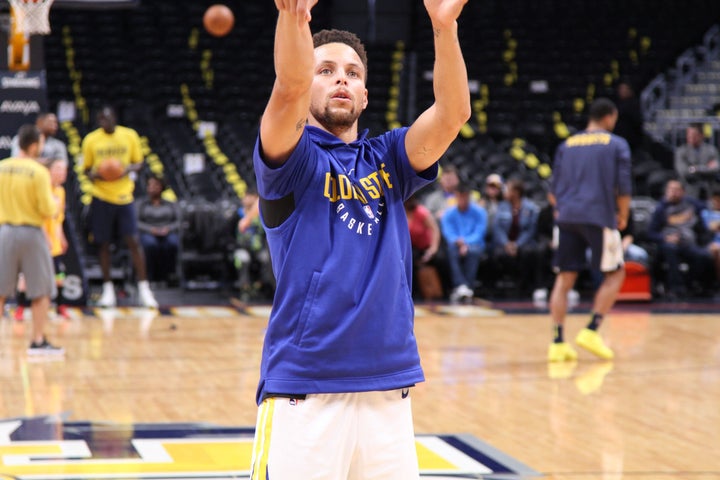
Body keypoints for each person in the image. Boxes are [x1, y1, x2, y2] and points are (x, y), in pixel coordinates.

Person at [249, 0, 470, 477]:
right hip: (304, 392)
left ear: (366, 94)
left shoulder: (388, 157)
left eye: (351, 72)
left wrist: (444, 27)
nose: (341, 79)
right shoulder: (290, 160)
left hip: (389, 389)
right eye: (325, 70)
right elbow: (287, 87)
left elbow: (453, 113)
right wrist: (293, 16)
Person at [548, 98, 632, 363]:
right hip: (599, 215)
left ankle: (558, 342)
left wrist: (562, 208)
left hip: (568, 217)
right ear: (610, 117)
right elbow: (624, 187)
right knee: (615, 273)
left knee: (564, 279)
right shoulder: (616, 144)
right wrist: (624, 215)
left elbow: (552, 192)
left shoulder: (567, 145)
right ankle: (592, 330)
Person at [82, 106, 158, 308]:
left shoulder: (129, 135)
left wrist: (123, 170)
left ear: (114, 117)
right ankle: (108, 290)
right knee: (103, 244)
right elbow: (86, 170)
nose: (104, 122)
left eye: (107, 118)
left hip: (125, 196)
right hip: (101, 196)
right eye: (100, 119)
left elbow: (139, 163)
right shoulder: (90, 140)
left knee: (133, 241)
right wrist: (102, 174)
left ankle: (144, 289)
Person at [0, 124, 63, 354]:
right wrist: (55, 206)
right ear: (34, 145)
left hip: (4, 231)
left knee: (0, 291)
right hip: (31, 232)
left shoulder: (2, 167)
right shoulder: (38, 172)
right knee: (41, 291)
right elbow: (48, 209)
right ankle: (37, 341)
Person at [646, 178, 715, 298]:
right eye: (670, 189)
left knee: (705, 256)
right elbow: (650, 233)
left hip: (688, 242)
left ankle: (693, 285)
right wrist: (665, 238)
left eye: (676, 190)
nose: (673, 192)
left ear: (683, 192)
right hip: (669, 243)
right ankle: (676, 288)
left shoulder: (691, 204)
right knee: (670, 250)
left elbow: (709, 206)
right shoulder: (661, 208)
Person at [491, 178, 541, 295]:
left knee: (528, 253)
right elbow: (497, 228)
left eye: (508, 189)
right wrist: (506, 244)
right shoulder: (502, 206)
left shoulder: (530, 208)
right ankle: (500, 286)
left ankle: (524, 285)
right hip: (505, 243)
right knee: (497, 254)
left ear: (516, 192)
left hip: (523, 243)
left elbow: (530, 230)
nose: (505, 192)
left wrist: (517, 245)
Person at [441, 183, 487, 303]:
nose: (462, 199)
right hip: (456, 244)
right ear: (456, 196)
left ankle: (465, 286)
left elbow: (479, 232)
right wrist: (459, 242)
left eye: (465, 196)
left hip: (474, 243)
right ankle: (462, 286)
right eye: (460, 196)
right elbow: (448, 233)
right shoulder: (449, 213)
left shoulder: (479, 212)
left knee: (473, 251)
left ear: (469, 196)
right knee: (452, 251)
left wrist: (466, 242)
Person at [135, 174, 180, 284]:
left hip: (167, 232)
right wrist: (151, 229)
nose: (152, 188)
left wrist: (168, 228)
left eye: (155, 185)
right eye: (149, 185)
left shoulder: (170, 204)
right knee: (150, 245)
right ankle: (149, 276)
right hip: (148, 232)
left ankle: (169, 275)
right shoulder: (141, 204)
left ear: (161, 187)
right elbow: (136, 222)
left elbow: (179, 222)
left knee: (172, 243)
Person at [405, 194, 449, 300]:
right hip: (411, 248)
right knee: (408, 261)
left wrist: (432, 249)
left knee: (441, 259)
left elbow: (435, 230)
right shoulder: (399, 212)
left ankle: (445, 292)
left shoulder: (421, 212)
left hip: (426, 247)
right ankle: (412, 293)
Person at [674, 123, 720, 199]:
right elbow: (684, 172)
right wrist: (706, 168)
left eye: (694, 134)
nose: (690, 137)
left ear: (702, 135)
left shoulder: (711, 150)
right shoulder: (681, 151)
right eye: (688, 134)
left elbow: (715, 169)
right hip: (688, 190)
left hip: (709, 190)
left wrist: (695, 169)